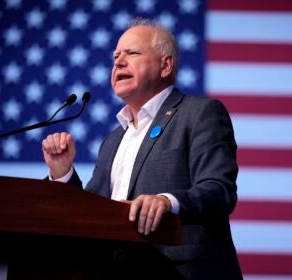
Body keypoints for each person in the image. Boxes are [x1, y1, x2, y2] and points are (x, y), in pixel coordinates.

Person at [42, 18, 243, 280]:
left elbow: (219, 190)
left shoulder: (199, 113)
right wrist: (62, 174)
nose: (118, 62)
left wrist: (166, 202)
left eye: (132, 53)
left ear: (165, 65)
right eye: (115, 56)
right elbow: (91, 212)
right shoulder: (114, 139)